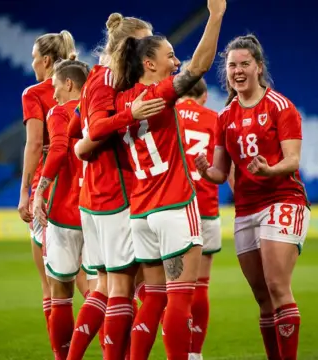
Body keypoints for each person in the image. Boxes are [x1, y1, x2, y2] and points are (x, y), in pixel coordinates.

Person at [75, 1, 226, 358]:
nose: (176, 62)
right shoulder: (156, 95)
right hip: (174, 205)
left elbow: (87, 138)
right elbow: (200, 66)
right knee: (180, 297)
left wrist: (84, 144)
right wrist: (216, 16)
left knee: (152, 297)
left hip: (141, 213)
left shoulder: (120, 101)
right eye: (169, 56)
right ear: (148, 63)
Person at [194, 35, 310, 360]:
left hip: (283, 199)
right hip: (246, 209)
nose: (238, 70)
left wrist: (269, 169)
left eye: (245, 63)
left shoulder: (281, 107)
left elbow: (292, 160)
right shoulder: (224, 117)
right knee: (262, 297)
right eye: (232, 65)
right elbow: (220, 173)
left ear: (259, 67)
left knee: (276, 286)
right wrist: (206, 171)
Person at [64, 14, 163, 360]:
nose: (149, 47)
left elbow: (77, 129)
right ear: (128, 45)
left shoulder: (95, 76)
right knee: (127, 288)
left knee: (103, 287)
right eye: (144, 41)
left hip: (93, 194)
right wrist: (130, 114)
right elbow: (97, 128)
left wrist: (84, 146)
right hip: (115, 193)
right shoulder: (108, 78)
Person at [17, 29, 82, 357]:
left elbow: (34, 146)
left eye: (33, 58)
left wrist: (26, 192)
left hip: (52, 189)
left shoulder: (36, 94)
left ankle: (63, 354)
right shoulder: (82, 82)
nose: (32, 64)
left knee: (54, 288)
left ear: (45, 60)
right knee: (98, 286)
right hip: (88, 188)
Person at [30, 58, 90, 360]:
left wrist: (39, 191)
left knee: (61, 295)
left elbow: (56, 150)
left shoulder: (59, 112)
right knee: (107, 294)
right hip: (100, 211)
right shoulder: (102, 110)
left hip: (65, 213)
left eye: (55, 87)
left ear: (68, 84)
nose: (53, 95)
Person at [176, 70, 220, 359]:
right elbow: (221, 167)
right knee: (201, 283)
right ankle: (194, 354)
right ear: (204, 96)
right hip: (205, 207)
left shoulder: (167, 112)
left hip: (172, 207)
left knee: (168, 288)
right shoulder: (214, 119)